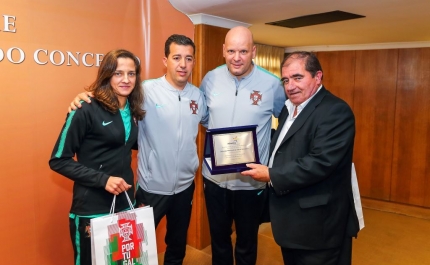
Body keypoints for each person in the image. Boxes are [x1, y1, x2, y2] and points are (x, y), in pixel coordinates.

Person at [68, 34, 207, 265]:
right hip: (150, 188)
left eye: (188, 58)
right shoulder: (144, 90)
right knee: (135, 252)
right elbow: (112, 96)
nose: (183, 64)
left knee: (177, 245)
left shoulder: (198, 96)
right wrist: (85, 96)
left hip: (185, 187)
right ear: (165, 60)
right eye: (176, 57)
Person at [241, 51, 360, 265]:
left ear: (317, 77)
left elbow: (320, 162)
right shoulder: (289, 109)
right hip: (292, 223)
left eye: (298, 77)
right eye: (286, 80)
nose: (290, 86)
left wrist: (271, 174)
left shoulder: (335, 111)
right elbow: (284, 148)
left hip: (318, 228)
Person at [49, 49, 145, 265]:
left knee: (125, 262)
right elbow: (58, 160)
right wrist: (103, 180)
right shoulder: (85, 109)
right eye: (118, 73)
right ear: (107, 75)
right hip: (92, 207)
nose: (126, 79)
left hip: (125, 203)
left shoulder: (133, 109)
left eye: (131, 74)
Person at [200, 26, 286, 265]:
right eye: (231, 51)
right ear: (223, 51)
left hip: (251, 182)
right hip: (215, 180)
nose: (237, 57)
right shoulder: (210, 79)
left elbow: (288, 125)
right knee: (219, 242)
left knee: (247, 244)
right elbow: (205, 119)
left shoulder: (272, 85)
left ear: (254, 52)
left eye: (243, 51)